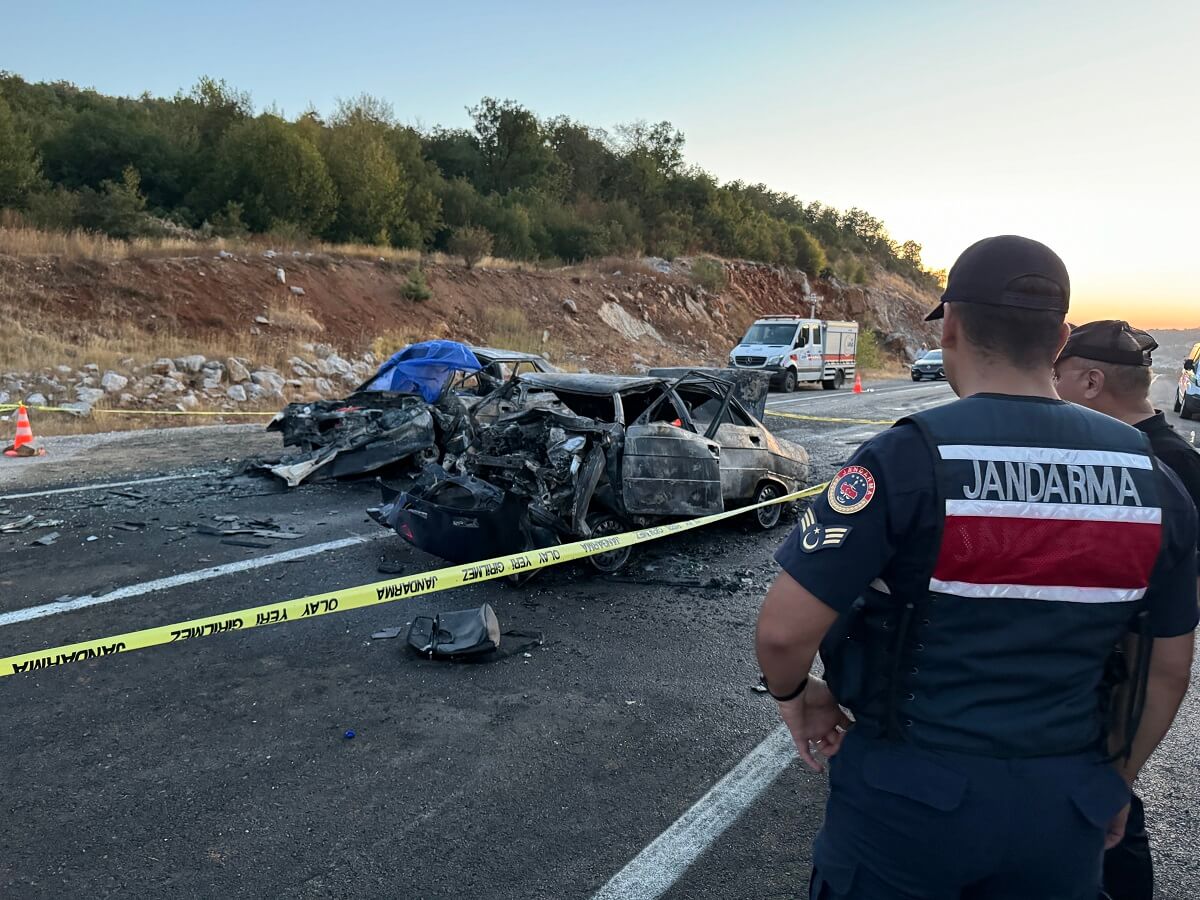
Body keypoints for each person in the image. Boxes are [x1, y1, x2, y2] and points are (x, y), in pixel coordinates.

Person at [755, 236, 1198, 899]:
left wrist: (799, 699)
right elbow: (1166, 668)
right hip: (1062, 806)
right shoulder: (1154, 476)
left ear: (953, 325)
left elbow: (784, 632)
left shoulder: (904, 460)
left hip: (905, 807)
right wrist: (1114, 782)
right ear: (1060, 340)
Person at [1054, 320, 1200, 900]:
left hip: (1121, 684)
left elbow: (1181, 613)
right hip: (1090, 682)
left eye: (1056, 376)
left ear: (1091, 382)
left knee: (1113, 822)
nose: (1048, 387)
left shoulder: (1168, 466)